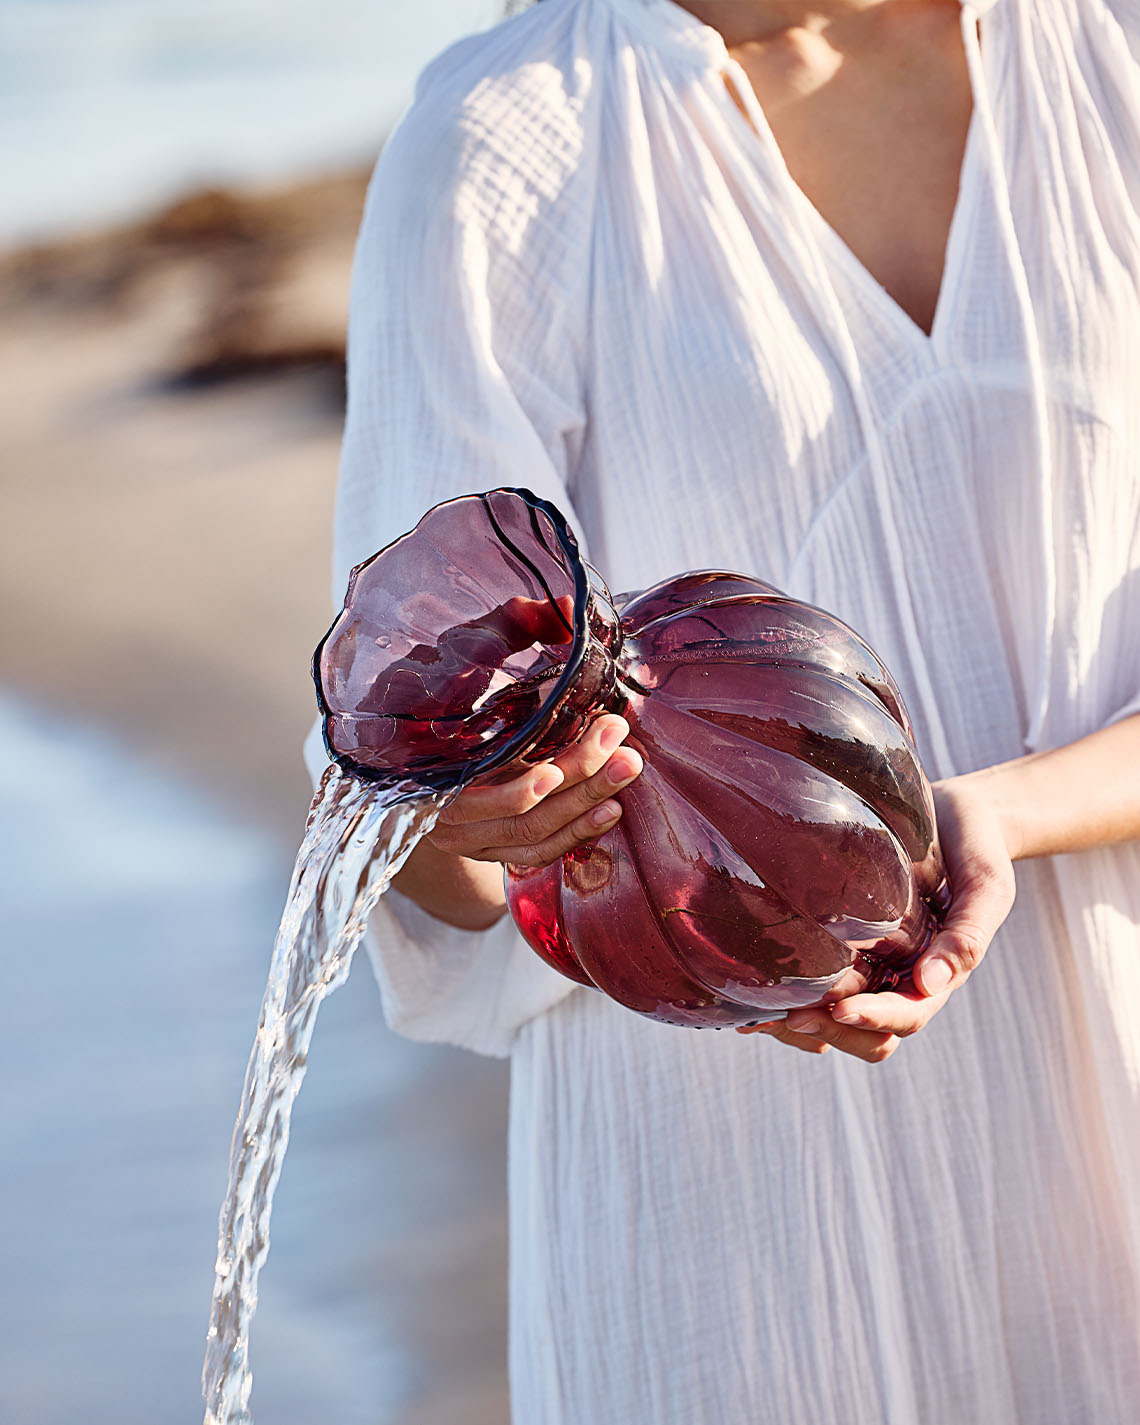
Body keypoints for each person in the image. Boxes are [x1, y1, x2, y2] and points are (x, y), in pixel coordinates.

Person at [311, 0, 1140, 1418]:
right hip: (739, 1216)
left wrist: (987, 813)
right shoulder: (510, 142)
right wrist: (485, 822)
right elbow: (401, 795)